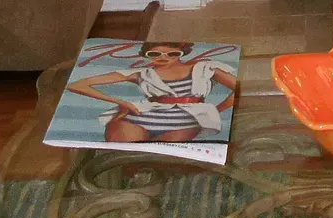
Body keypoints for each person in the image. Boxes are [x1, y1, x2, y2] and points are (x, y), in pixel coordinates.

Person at [67, 41, 238, 144]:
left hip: (185, 123)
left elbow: (239, 89)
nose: (163, 57)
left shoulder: (205, 68)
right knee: (123, 159)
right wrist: (121, 102)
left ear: (181, 53)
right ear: (146, 55)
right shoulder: (142, 73)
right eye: (155, 54)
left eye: (172, 54)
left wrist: (216, 110)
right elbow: (77, 85)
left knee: (157, 160)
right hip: (136, 120)